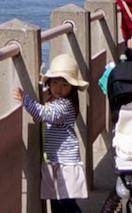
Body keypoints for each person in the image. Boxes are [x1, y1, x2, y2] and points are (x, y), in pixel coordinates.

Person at [30, 51, 94, 213]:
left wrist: (25, 100)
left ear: (72, 88)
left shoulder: (64, 105)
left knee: (65, 203)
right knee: (57, 203)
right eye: (55, 83)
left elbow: (45, 114)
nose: (59, 88)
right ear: (49, 83)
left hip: (65, 162)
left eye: (65, 85)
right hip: (56, 160)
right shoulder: (55, 101)